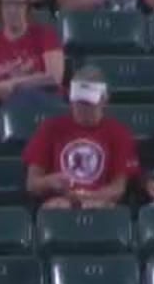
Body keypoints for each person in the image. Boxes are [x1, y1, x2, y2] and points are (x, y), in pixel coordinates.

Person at [23, 70, 137, 209]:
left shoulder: (118, 132)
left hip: (98, 201)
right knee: (58, 207)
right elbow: (32, 184)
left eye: (88, 103)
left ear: (104, 100)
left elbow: (118, 188)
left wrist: (90, 197)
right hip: (60, 201)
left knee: (100, 207)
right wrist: (50, 181)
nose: (82, 108)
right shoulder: (50, 128)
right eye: (78, 102)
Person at [0, 0, 64, 108]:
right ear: (0, 9)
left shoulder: (45, 34)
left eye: (18, 4)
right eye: (7, 4)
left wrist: (14, 84)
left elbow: (54, 78)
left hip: (45, 103)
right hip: (7, 107)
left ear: (26, 8)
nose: (12, 10)